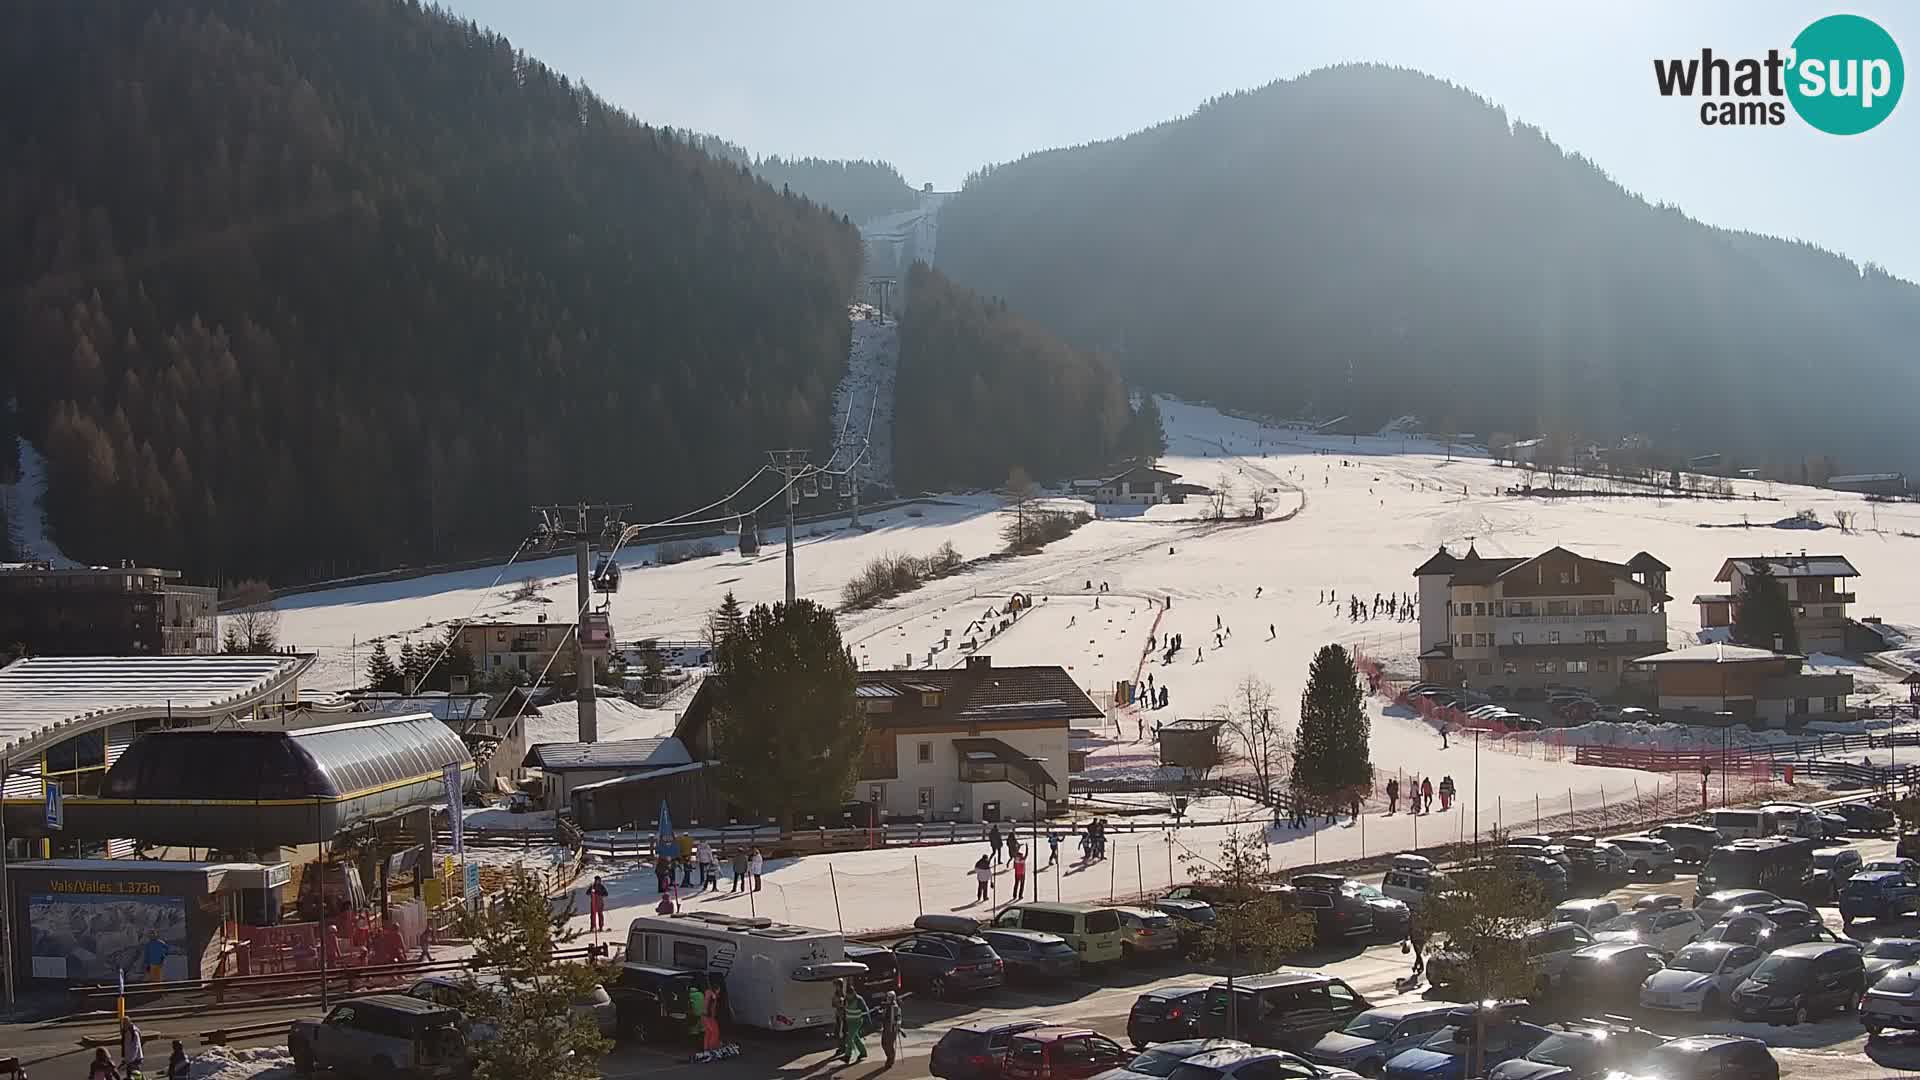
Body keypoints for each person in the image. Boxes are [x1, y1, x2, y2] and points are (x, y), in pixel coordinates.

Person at [841, 990, 870, 1063]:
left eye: (849, 994)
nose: (848, 996)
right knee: (855, 1038)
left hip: (857, 1022)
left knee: (850, 1038)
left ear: (853, 993)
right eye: (847, 994)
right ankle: (863, 1053)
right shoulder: (846, 999)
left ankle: (847, 1056)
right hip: (849, 1022)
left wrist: (868, 1022)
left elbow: (866, 1009)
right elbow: (844, 1009)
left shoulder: (859, 999)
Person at [877, 989, 902, 1067]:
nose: (888, 999)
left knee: (889, 1045)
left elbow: (898, 1017)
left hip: (892, 1029)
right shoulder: (886, 1006)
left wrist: (898, 1023)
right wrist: (880, 1012)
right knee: (884, 1044)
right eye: (888, 997)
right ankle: (889, 1057)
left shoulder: (895, 1007)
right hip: (885, 1028)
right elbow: (882, 1016)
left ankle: (890, 1059)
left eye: (890, 997)